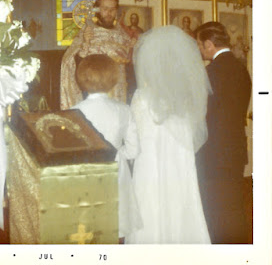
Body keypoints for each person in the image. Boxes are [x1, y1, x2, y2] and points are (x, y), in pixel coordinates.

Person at [126, 25, 211, 244]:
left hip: (149, 164)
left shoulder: (141, 97)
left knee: (150, 208)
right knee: (181, 203)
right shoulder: (185, 98)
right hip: (179, 163)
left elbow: (134, 138)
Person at [72, 54, 142, 242]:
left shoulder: (74, 111)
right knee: (115, 225)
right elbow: (134, 150)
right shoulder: (123, 110)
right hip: (115, 171)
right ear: (113, 79)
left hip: (85, 175)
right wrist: (118, 153)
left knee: (88, 230)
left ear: (81, 78)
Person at [195, 21, 251, 244]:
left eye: (200, 45)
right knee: (235, 203)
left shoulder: (210, 73)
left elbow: (202, 114)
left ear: (209, 44)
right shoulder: (241, 68)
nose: (200, 50)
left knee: (216, 208)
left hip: (213, 152)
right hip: (236, 147)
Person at [60, 0, 134, 110]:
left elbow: (129, 64)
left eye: (112, 9)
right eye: (105, 9)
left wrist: (132, 49)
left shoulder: (123, 35)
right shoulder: (88, 31)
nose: (109, 13)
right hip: (94, 89)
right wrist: (86, 43)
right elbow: (72, 61)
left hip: (118, 88)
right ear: (98, 9)